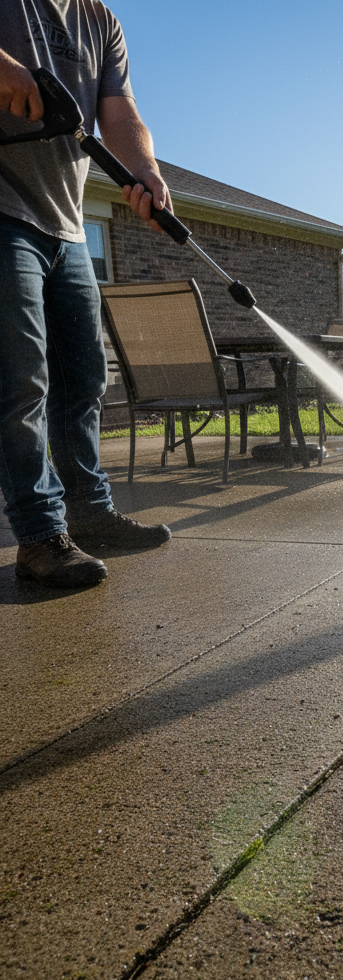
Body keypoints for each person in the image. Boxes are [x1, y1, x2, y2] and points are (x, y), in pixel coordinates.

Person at [0, 1, 174, 588]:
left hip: (68, 224)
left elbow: (119, 113)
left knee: (83, 378)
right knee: (21, 378)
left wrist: (143, 170)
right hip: (3, 212)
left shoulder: (99, 19)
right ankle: (40, 534)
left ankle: (91, 515)